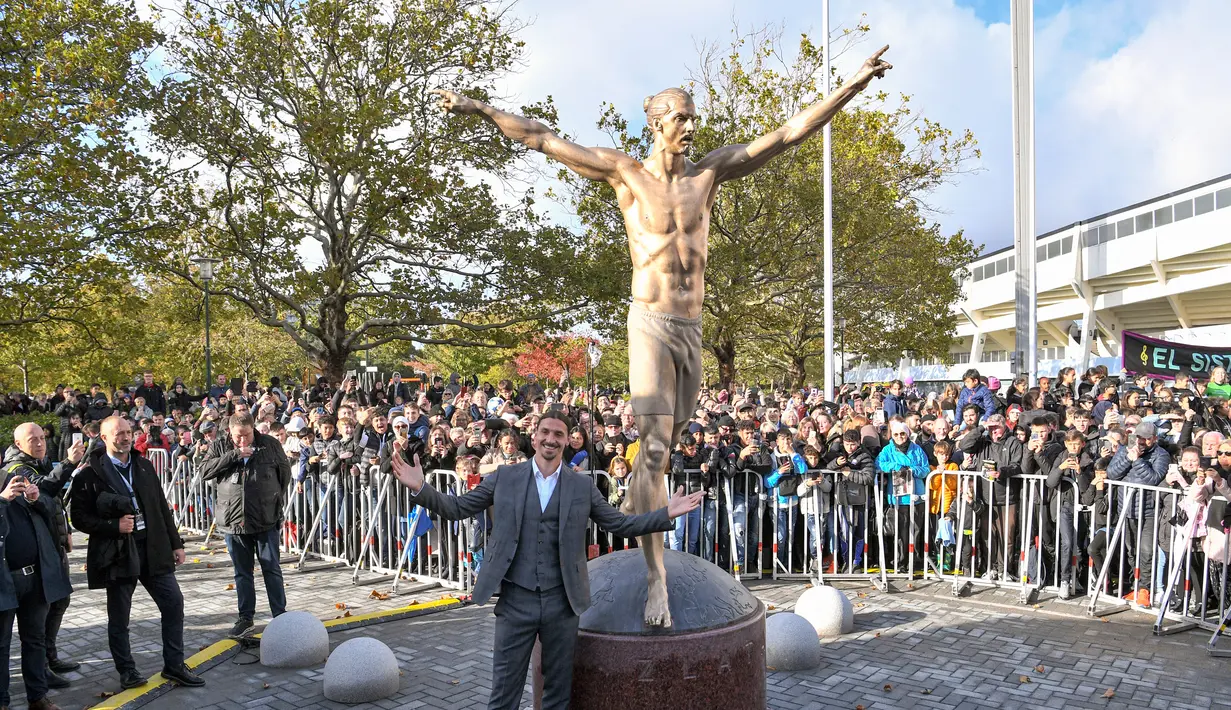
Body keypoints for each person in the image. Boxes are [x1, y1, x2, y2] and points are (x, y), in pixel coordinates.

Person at [387, 411, 702, 710]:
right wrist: (421, 488)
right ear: (534, 438)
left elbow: (619, 524)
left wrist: (665, 514)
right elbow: (458, 508)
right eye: (546, 433)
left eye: (559, 434)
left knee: (557, 694)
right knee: (503, 695)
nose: (551, 439)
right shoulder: (504, 477)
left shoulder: (582, 485)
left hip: (562, 604)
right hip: (515, 601)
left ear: (566, 441)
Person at [69, 416, 203, 689]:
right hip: (118, 553)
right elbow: (78, 518)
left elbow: (161, 508)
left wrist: (176, 543)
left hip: (152, 548)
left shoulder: (143, 465)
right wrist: (112, 525)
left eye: (129, 432)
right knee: (120, 616)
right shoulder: (89, 474)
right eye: (119, 433)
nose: (125, 437)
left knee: (173, 603)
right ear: (104, 437)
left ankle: (174, 665)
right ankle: (127, 671)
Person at [4, 424, 86, 689]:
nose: (40, 443)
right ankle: (43, 666)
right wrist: (68, 463)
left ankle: (49, 658)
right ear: (18, 444)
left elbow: (54, 505)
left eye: (42, 438)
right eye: (33, 440)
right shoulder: (17, 469)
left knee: (60, 601)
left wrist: (65, 533)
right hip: (35, 556)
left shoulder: (37, 462)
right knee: (47, 609)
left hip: (52, 544)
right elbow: (43, 492)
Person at [198, 412, 292, 636]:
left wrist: (272, 499)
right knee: (243, 572)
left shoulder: (269, 444)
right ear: (229, 432)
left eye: (247, 436)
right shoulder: (220, 445)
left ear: (254, 430)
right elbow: (204, 471)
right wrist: (234, 455)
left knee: (271, 568)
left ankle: (280, 615)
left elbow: (284, 475)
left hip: (265, 518)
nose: (243, 441)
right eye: (238, 436)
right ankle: (245, 617)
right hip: (233, 520)